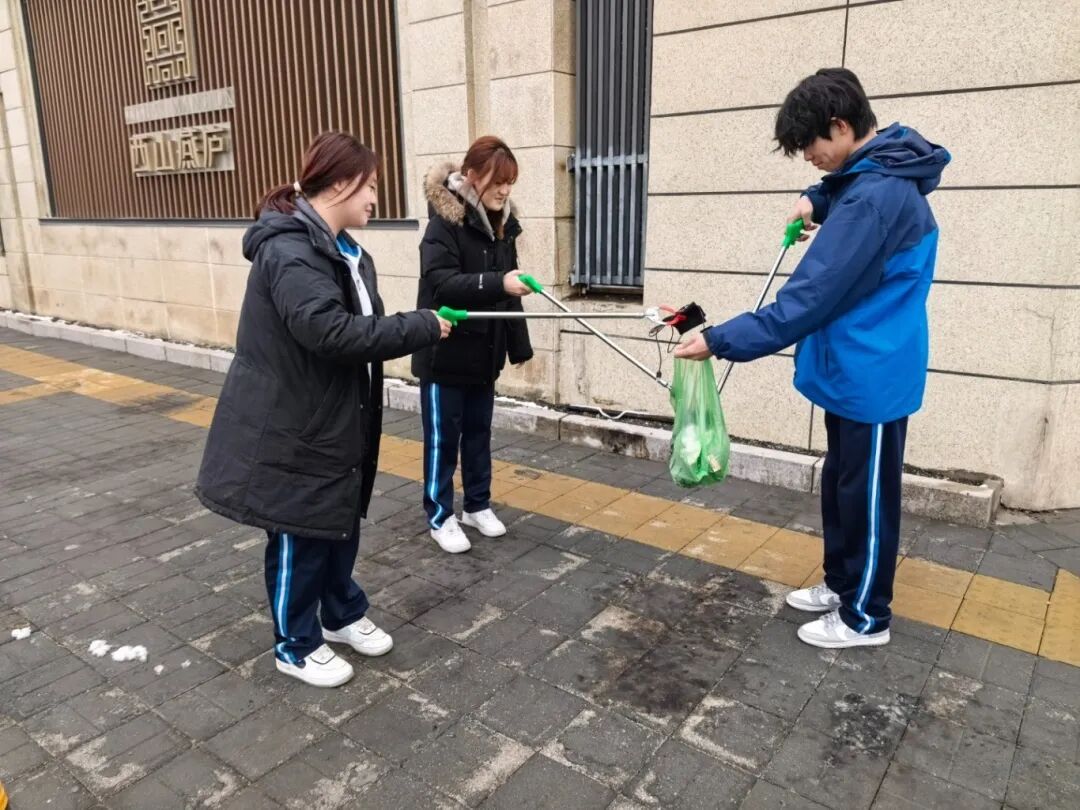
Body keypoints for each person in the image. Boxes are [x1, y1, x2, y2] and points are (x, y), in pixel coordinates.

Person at [676, 68, 950, 649]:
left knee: (869, 493)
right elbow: (846, 187)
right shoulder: (872, 177)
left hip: (873, 371)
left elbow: (811, 297)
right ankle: (841, 582)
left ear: (842, 126)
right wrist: (817, 198)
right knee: (842, 483)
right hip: (852, 365)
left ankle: (866, 617)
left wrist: (722, 339)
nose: (809, 158)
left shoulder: (875, 199)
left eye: (811, 146)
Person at [195, 132, 452, 687]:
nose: (375, 200)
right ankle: (294, 643)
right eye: (372, 186)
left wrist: (415, 325)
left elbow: (354, 329)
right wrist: (422, 326)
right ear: (340, 182)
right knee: (298, 531)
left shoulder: (347, 251)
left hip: (337, 415)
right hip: (292, 422)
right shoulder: (290, 250)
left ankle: (341, 613)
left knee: (338, 523)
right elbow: (329, 332)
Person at [412, 136, 534, 554]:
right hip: (444, 355)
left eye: (510, 182)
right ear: (471, 177)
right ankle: (439, 515)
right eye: (498, 181)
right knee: (443, 440)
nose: (505, 190)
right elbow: (441, 283)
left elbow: (509, 292)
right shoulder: (444, 223)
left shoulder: (502, 226)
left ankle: (476, 505)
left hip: (484, 355)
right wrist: (497, 282)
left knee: (479, 433)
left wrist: (518, 347)